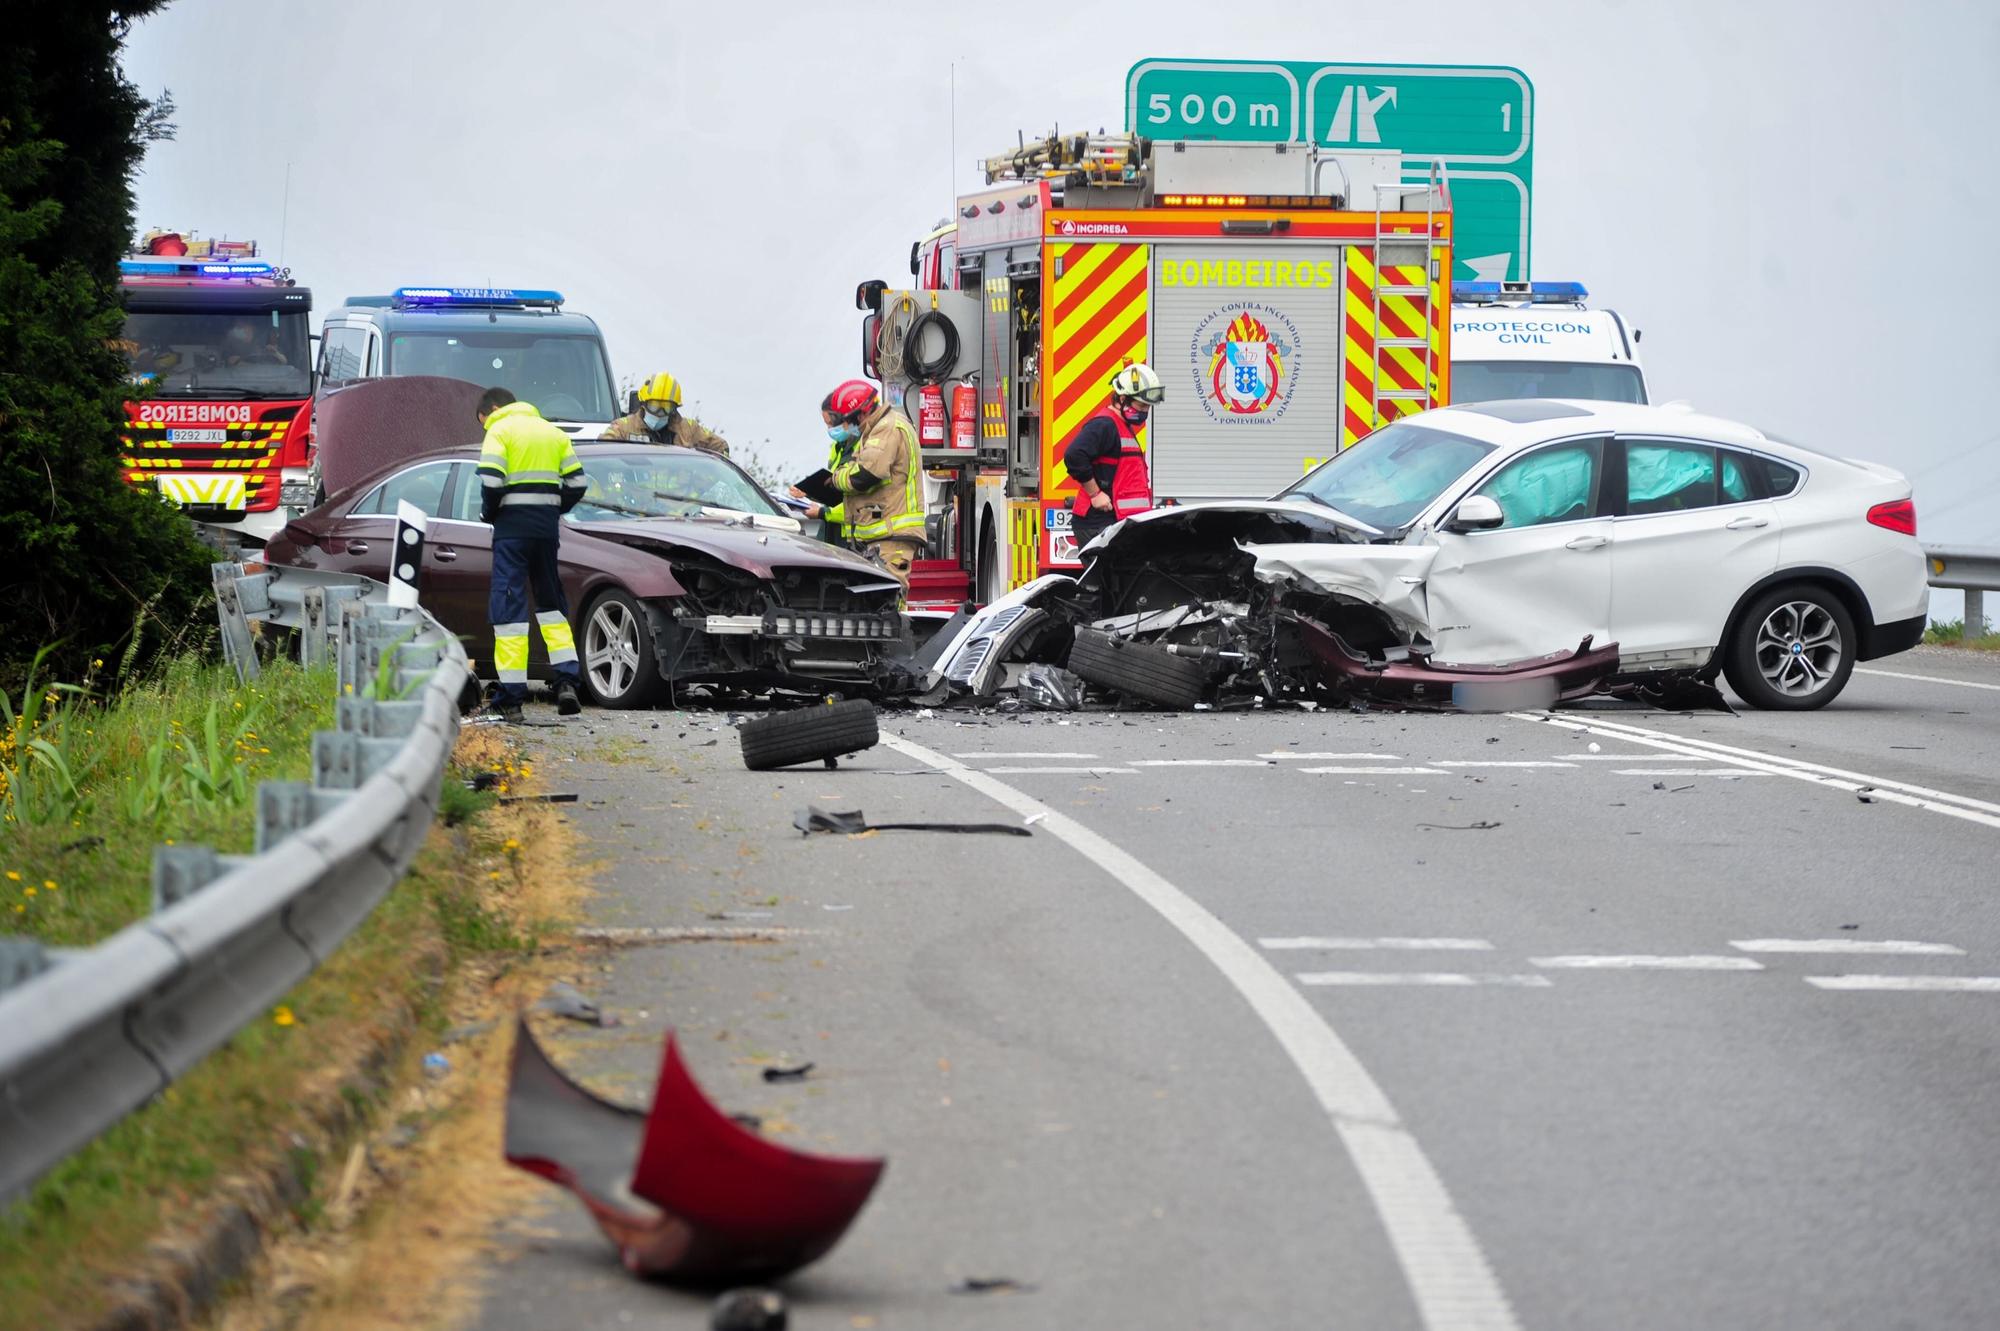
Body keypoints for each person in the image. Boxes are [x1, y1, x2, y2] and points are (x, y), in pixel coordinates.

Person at [475, 386, 590, 722]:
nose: (485, 427)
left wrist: (489, 513)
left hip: (512, 533)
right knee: (551, 603)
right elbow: (578, 483)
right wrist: (553, 509)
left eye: (484, 421)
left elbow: (492, 483)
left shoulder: (500, 430)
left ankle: (510, 699)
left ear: (494, 408)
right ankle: (567, 682)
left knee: (509, 608)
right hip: (545, 532)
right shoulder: (552, 432)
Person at [821, 379, 924, 585]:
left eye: (846, 421)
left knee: (890, 599)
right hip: (882, 536)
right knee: (879, 601)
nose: (845, 426)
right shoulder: (876, 429)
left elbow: (865, 475)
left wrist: (835, 478)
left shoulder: (887, 429)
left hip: (891, 535)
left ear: (862, 413)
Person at [1061, 362, 1163, 553]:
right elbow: (1074, 455)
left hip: (1116, 523)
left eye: (1148, 407)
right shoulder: (1105, 425)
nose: (1145, 412)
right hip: (1098, 524)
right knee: (1110, 581)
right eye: (1141, 405)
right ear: (1122, 399)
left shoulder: (1121, 425)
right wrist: (1095, 494)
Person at [601, 371, 730, 455]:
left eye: (666, 407)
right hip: (636, 494)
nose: (659, 413)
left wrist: (701, 481)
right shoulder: (623, 428)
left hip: (679, 496)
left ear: (674, 409)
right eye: (655, 406)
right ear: (643, 403)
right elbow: (602, 452)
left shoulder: (689, 429)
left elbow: (721, 447)